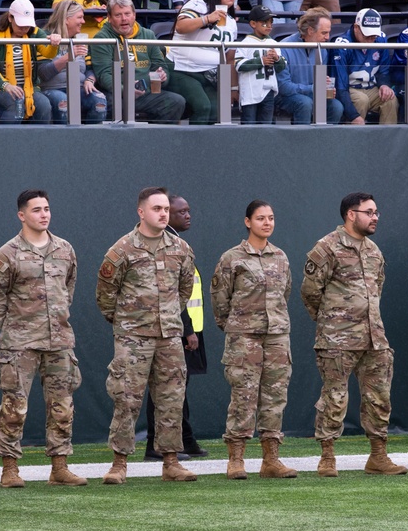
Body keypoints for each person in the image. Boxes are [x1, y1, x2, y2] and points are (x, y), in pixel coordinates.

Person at [0, 190, 88, 489]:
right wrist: (14, 328)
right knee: (14, 408)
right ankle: (10, 468)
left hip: (59, 341)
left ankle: (59, 467)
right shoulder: (6, 254)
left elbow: (69, 288)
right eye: (37, 210)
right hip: (20, 344)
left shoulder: (65, 249)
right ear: (22, 215)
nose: (44, 214)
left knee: (63, 407)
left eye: (47, 209)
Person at [300, 192, 407, 478]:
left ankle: (378, 457)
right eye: (369, 212)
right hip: (337, 339)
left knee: (379, 398)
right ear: (351, 214)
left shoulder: (373, 251)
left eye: (376, 212)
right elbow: (310, 292)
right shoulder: (327, 248)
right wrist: (331, 321)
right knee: (334, 398)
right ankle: (327, 457)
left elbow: (377, 290)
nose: (375, 217)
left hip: (374, 337)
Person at [96, 187, 198, 484]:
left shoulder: (181, 249)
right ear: (141, 212)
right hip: (133, 337)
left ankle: (170, 461)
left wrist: (166, 317)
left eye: (166, 208)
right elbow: (105, 295)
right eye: (157, 209)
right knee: (126, 399)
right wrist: (127, 322)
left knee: (171, 399)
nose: (164, 213)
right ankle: (119, 463)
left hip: (169, 336)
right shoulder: (122, 249)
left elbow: (184, 289)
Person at [211, 199, 296, 480]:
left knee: (275, 398)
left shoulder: (281, 257)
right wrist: (236, 326)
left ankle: (271, 459)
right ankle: (236, 460)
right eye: (261, 218)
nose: (267, 223)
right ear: (248, 222)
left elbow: (285, 294)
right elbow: (220, 301)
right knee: (243, 397)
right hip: (244, 337)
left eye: (271, 218)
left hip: (276, 337)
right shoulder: (231, 258)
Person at [144, 194, 209, 460]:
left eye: (187, 210)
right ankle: (154, 445)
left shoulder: (179, 243)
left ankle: (185, 439)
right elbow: (172, 294)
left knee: (178, 388)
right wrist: (187, 329)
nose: (187, 215)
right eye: (181, 212)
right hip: (177, 330)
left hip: (189, 328)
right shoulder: (166, 246)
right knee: (164, 388)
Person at [90, 0, 186, 123]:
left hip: (146, 92)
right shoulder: (102, 38)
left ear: (134, 15)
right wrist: (126, 91)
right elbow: (104, 75)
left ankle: (157, 141)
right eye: (118, 15)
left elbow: (160, 66)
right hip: (118, 93)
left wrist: (163, 77)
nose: (124, 19)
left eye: (127, 14)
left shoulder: (148, 35)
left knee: (176, 101)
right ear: (109, 18)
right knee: (110, 103)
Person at [167, 0, 237, 124]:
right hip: (183, 69)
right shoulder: (198, 4)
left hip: (210, 75)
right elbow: (180, 26)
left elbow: (230, 57)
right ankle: (193, 146)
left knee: (217, 109)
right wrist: (206, 19)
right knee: (203, 107)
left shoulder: (231, 21)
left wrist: (233, 87)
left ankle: (209, 147)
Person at [0, 0, 61, 124]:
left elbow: (48, 53)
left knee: (44, 104)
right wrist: (6, 85)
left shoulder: (35, 32)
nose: (24, 29)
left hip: (29, 88)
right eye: (21, 24)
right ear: (10, 18)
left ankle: (41, 142)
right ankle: (8, 142)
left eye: (27, 25)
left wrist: (54, 44)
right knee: (16, 102)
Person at [39, 0, 108, 124]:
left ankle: (92, 141)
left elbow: (89, 68)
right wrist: (69, 56)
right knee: (62, 102)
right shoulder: (45, 37)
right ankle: (65, 142)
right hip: (53, 89)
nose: (83, 21)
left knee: (99, 102)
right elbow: (43, 73)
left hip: (79, 88)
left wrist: (90, 80)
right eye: (80, 17)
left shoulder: (80, 39)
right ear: (66, 19)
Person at [275, 5, 344, 124]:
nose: (328, 38)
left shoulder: (322, 48)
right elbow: (284, 88)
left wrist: (325, 86)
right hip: (286, 98)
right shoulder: (284, 47)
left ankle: (327, 141)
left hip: (311, 95)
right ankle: (303, 142)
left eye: (328, 33)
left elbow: (319, 81)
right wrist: (314, 88)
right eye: (324, 33)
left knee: (336, 106)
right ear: (310, 31)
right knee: (305, 103)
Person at [332, 8, 398, 125]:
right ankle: (355, 140)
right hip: (350, 88)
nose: (371, 39)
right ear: (356, 27)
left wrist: (384, 85)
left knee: (390, 99)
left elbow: (384, 70)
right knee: (361, 100)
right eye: (367, 35)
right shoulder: (342, 46)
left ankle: (387, 141)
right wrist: (354, 116)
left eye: (374, 35)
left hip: (371, 87)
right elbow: (340, 86)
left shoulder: (381, 39)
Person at [234, 4, 286, 125]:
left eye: (271, 22)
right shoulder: (245, 43)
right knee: (249, 125)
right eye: (264, 22)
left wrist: (277, 59)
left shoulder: (273, 43)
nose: (269, 26)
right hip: (250, 91)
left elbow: (281, 67)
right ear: (253, 24)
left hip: (268, 89)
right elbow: (238, 65)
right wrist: (260, 61)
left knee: (266, 126)